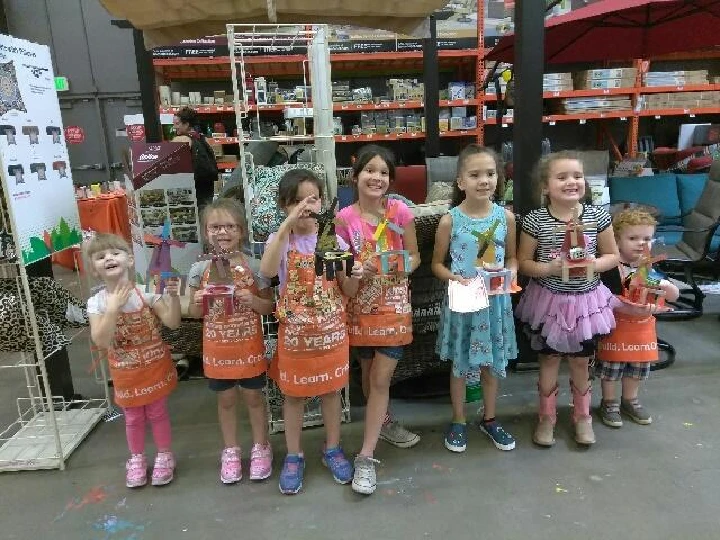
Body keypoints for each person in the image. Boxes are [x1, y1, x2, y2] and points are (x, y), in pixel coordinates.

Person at [260, 169, 364, 495]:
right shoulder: (280, 241)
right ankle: (294, 455)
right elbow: (265, 272)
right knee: (294, 397)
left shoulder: (333, 238)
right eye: (297, 201)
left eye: (313, 199)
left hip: (332, 334)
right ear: (283, 205)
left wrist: (357, 273)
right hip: (295, 338)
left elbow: (346, 288)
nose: (306, 207)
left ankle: (332, 447)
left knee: (332, 393)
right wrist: (286, 225)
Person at [516, 150, 620, 447]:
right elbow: (524, 263)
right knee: (548, 360)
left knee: (580, 362)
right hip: (548, 303)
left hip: (586, 304)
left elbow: (613, 256)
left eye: (577, 176)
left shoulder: (598, 215)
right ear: (545, 187)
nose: (572, 182)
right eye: (562, 177)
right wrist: (550, 267)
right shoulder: (536, 220)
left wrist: (592, 265)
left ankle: (582, 416)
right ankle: (546, 417)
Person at [335, 145, 421, 495]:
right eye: (370, 170)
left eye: (384, 172)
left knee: (381, 379)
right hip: (360, 312)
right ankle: (382, 421)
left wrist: (403, 270)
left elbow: (414, 254)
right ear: (355, 176)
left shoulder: (400, 211)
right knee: (369, 378)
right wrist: (355, 271)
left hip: (394, 308)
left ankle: (366, 456)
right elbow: (346, 283)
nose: (377, 177)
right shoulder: (343, 220)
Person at [431, 145, 518, 453]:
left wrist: (511, 275)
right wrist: (453, 277)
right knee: (461, 364)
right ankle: (458, 419)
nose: (484, 181)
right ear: (460, 182)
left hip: (494, 304)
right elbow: (437, 265)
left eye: (491, 174)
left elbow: (513, 258)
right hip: (464, 303)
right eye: (475, 174)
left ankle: (490, 418)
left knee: (491, 364)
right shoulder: (449, 221)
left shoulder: (506, 218)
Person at [186, 198, 274, 484]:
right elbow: (193, 312)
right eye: (215, 227)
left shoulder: (257, 267)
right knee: (225, 400)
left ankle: (262, 447)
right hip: (217, 349)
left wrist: (253, 301)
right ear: (205, 231)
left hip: (249, 347)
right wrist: (197, 301)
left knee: (253, 397)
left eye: (230, 226)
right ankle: (231, 451)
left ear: (242, 231)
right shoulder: (198, 271)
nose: (222, 232)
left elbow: (270, 307)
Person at [86, 233, 181, 488]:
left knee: (157, 411)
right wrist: (114, 306)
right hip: (125, 371)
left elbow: (172, 322)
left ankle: (164, 455)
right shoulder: (96, 303)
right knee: (132, 417)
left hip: (153, 366)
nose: (108, 258)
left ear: (130, 260)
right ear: (94, 269)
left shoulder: (146, 293)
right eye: (100, 256)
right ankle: (136, 458)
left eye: (114, 253)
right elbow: (101, 340)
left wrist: (172, 297)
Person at [596, 208, 679, 427]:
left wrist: (664, 286)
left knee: (637, 368)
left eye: (647, 238)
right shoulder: (611, 267)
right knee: (611, 368)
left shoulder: (651, 268)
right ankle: (609, 401)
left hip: (643, 328)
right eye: (633, 238)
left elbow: (673, 294)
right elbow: (602, 295)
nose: (641, 243)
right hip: (616, 327)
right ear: (617, 240)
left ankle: (630, 399)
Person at [173, 107, 218, 209]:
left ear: (186, 124)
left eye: (177, 124)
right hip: (207, 184)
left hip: (192, 186)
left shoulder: (181, 139)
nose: (174, 127)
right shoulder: (202, 138)